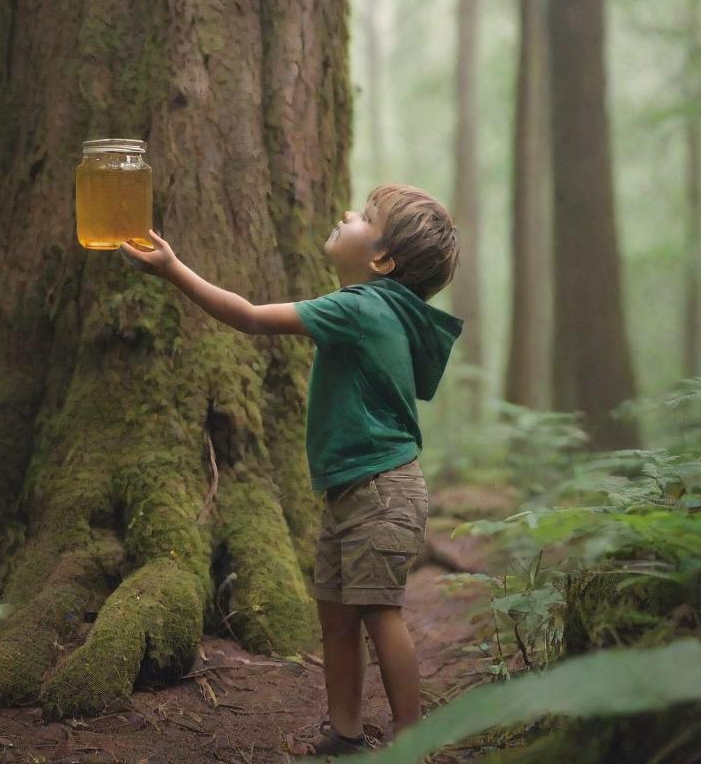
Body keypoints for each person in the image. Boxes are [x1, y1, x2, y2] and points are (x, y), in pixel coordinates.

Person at [120, 183, 462, 756]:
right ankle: (346, 733)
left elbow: (250, 318)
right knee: (335, 614)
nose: (348, 211)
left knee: (380, 613)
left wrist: (174, 269)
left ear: (381, 260)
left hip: (382, 492)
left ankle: (411, 739)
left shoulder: (361, 307)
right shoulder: (384, 310)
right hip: (353, 491)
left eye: (366, 215)